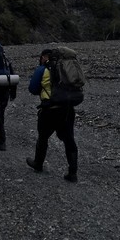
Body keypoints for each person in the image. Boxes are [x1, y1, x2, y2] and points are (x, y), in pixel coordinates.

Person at [26, 49, 78, 182]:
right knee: (69, 139)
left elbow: (32, 88)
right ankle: (72, 172)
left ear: (44, 57)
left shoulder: (42, 70)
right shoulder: (66, 69)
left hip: (49, 110)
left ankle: (38, 164)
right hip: (67, 109)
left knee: (43, 137)